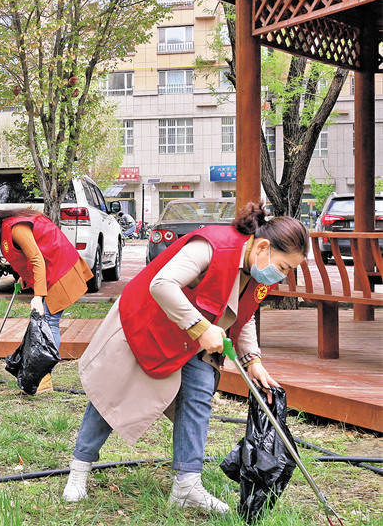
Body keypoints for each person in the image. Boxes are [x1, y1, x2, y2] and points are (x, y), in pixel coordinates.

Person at [62, 203, 308, 513]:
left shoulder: (258, 272)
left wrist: (252, 360)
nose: (282, 276)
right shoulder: (211, 247)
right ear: (262, 246)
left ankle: (186, 485)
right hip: (148, 323)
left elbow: (242, 315)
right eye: (284, 267)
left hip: (193, 339)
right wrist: (200, 327)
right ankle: (79, 468)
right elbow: (161, 284)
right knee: (114, 393)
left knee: (199, 395)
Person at [0, 201, 92, 393]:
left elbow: (36, 259)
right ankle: (40, 377)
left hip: (60, 271)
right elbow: (23, 258)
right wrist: (24, 280)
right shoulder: (6, 228)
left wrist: (38, 295)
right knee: (47, 321)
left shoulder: (16, 228)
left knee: (49, 320)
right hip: (51, 272)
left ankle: (43, 379)